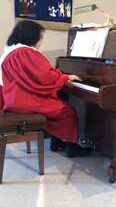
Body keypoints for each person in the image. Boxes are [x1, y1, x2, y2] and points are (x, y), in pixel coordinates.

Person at [0, 20, 89, 157]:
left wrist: (61, 77)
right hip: (25, 101)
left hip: (14, 100)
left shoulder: (10, 53)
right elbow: (45, 76)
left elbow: (39, 75)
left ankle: (57, 142)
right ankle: (72, 147)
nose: (41, 41)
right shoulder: (25, 52)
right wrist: (65, 78)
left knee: (59, 102)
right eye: (40, 37)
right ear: (31, 37)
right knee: (67, 110)